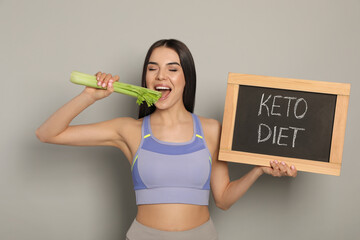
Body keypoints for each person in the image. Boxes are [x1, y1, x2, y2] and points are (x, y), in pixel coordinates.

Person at [36, 39, 297, 240]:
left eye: (172, 69)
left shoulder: (211, 130)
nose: (161, 76)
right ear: (146, 78)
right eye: (153, 69)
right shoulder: (129, 130)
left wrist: (259, 170)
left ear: (186, 79)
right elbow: (48, 133)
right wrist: (89, 97)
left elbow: (223, 200)